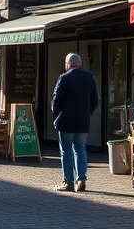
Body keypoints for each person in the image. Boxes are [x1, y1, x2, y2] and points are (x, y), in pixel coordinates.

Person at [50, 52, 98, 193]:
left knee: (66, 151)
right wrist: (87, 113)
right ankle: (81, 179)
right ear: (80, 63)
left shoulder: (64, 78)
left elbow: (56, 99)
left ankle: (68, 182)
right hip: (83, 120)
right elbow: (94, 99)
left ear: (68, 64)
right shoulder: (89, 77)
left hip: (66, 120)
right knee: (80, 148)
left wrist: (56, 115)